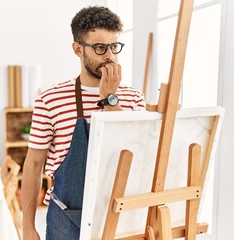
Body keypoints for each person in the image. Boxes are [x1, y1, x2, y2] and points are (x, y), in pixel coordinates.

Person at [22, 5, 145, 240]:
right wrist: (27, 227)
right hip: (66, 220)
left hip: (122, 218)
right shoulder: (50, 99)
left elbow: (137, 154)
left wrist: (110, 98)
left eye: (114, 46)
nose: (109, 55)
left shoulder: (134, 98)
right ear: (78, 49)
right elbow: (34, 164)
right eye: (100, 47)